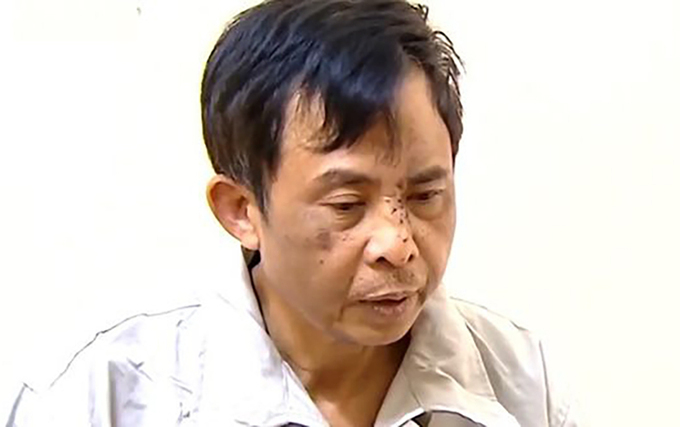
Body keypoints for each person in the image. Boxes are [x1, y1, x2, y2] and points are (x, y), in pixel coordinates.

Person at [6, 0, 580, 426]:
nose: (397, 244)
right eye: (347, 205)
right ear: (241, 210)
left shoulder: (519, 382)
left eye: (425, 196)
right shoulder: (106, 396)